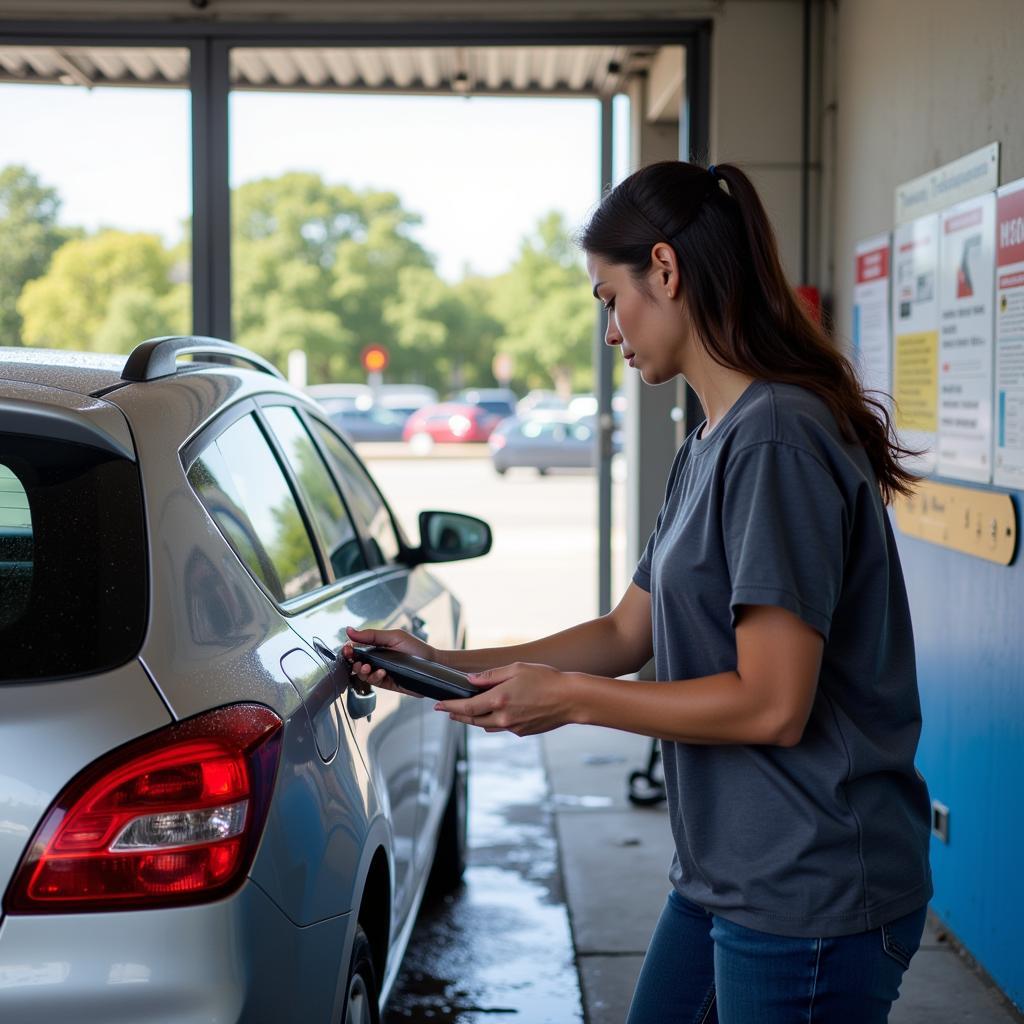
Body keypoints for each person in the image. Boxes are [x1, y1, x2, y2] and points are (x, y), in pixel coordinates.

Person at [343, 160, 932, 1023]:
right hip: (727, 871)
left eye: (608, 297)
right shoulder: (711, 441)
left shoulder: (776, 441)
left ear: (666, 269)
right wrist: (439, 663)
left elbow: (772, 705)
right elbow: (627, 632)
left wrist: (572, 702)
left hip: (809, 887)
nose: (609, 329)